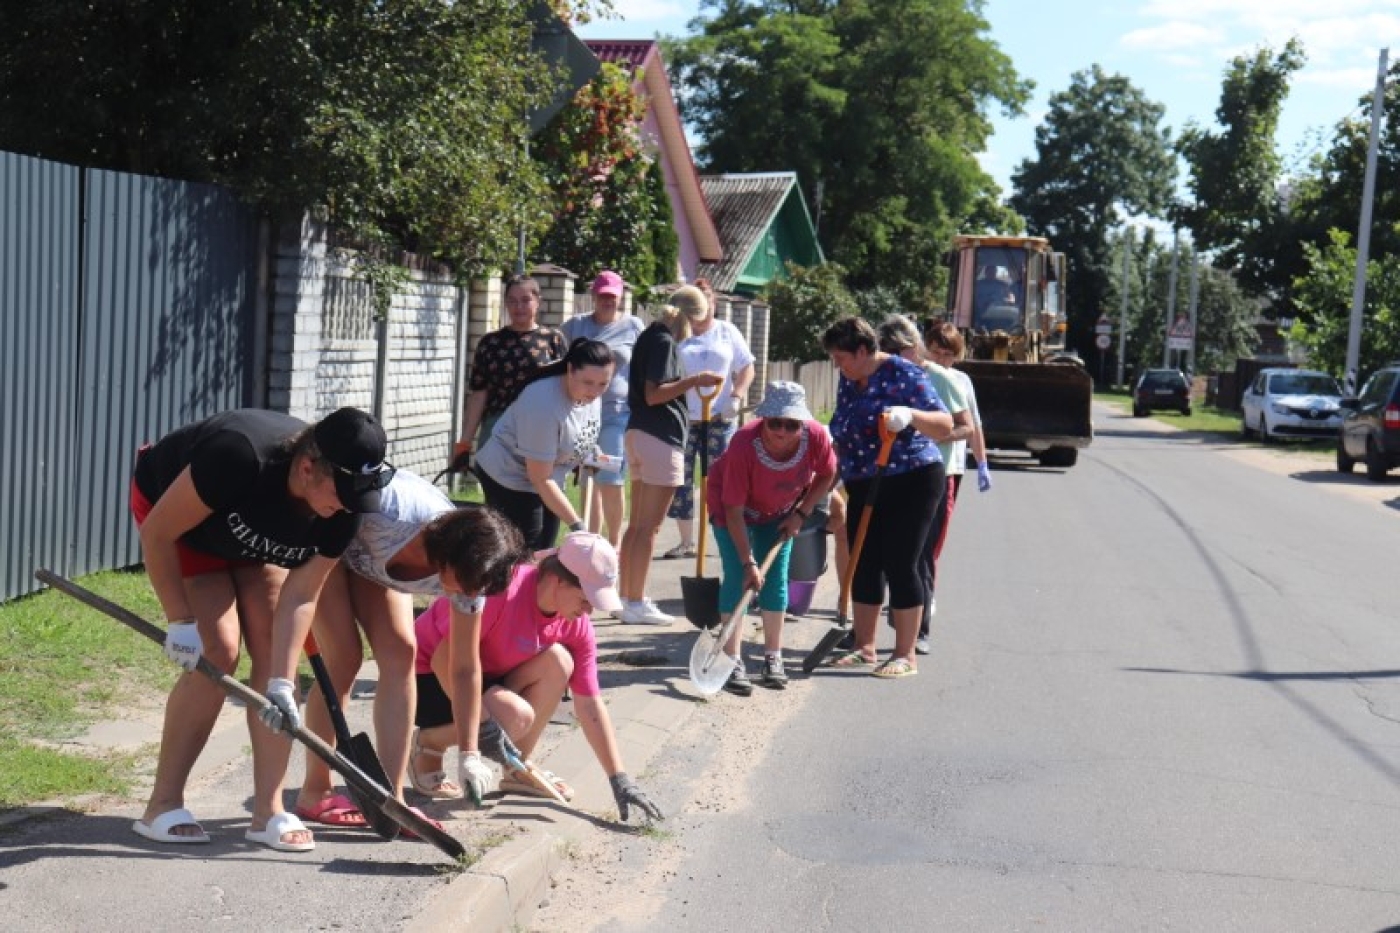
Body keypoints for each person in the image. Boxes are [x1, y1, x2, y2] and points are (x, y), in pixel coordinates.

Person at [128, 406, 388, 852]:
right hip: (185, 528)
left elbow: (302, 595)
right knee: (218, 650)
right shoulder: (238, 456)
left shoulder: (344, 507)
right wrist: (179, 620)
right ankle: (163, 804)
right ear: (307, 468)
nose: (347, 506)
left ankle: (268, 811)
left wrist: (284, 684)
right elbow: (157, 534)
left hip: (250, 537)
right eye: (341, 492)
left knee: (273, 660)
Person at [288, 484, 526, 824]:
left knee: (401, 654)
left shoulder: (472, 577)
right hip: (333, 545)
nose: (468, 595)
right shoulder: (391, 517)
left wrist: (469, 751)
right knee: (344, 658)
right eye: (464, 584)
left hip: (374, 566)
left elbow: (464, 666)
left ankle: (392, 797)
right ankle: (316, 790)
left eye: (477, 589)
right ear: (449, 554)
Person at [412, 532, 664, 822]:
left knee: (559, 661)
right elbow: (445, 660)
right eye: (585, 598)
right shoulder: (502, 589)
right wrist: (481, 723)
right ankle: (429, 744)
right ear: (557, 581)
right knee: (515, 716)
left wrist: (619, 778)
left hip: (484, 675)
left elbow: (590, 704)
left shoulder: (576, 624)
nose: (589, 610)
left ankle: (517, 769)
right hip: (426, 677)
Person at [822, 317, 952, 679]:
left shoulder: (903, 374)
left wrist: (910, 415)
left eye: (842, 357)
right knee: (864, 561)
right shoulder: (849, 381)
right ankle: (864, 647)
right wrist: (827, 484)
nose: (838, 365)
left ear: (863, 351)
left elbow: (943, 424)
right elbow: (843, 434)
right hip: (866, 479)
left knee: (901, 560)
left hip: (913, 478)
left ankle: (905, 654)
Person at [706, 381, 836, 695]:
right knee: (738, 576)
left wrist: (801, 513)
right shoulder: (743, 444)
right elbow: (734, 512)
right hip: (731, 511)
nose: (781, 431)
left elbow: (829, 474)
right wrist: (748, 561)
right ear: (764, 419)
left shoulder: (815, 437)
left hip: (779, 513)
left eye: (791, 424)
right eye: (774, 422)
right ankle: (731, 659)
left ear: (801, 424)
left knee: (776, 579)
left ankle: (772, 657)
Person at [617, 287, 724, 625]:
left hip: (638, 434)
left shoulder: (650, 336)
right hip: (659, 436)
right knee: (649, 528)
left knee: (636, 526)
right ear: (689, 317)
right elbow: (653, 394)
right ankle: (635, 601)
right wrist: (695, 380)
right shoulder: (664, 342)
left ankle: (627, 597)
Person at [877, 314, 974, 656]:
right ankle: (876, 629)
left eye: (894, 350)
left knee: (920, 556)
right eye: (882, 350)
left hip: (935, 473)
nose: (886, 357)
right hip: (891, 473)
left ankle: (920, 632)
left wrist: (932, 433)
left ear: (912, 349)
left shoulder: (940, 379)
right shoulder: (880, 376)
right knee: (888, 553)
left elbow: (966, 427)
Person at [472, 337, 614, 550]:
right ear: (570, 370)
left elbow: (581, 435)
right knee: (525, 551)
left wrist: (587, 457)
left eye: (603, 384)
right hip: (510, 477)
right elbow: (540, 477)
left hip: (548, 476)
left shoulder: (590, 394)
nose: (595, 391)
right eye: (588, 382)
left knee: (545, 549)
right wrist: (578, 526)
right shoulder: (543, 404)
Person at [663, 278, 755, 559]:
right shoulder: (680, 334)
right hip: (685, 418)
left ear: (713, 305)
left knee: (722, 478)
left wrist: (736, 396)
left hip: (719, 416)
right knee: (683, 478)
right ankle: (687, 541)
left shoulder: (727, 332)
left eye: (708, 302)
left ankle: (723, 537)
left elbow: (747, 367)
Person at [562, 271, 645, 548]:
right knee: (588, 476)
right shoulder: (575, 326)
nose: (607, 301)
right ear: (593, 295)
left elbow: (644, 367)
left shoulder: (633, 326)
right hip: (580, 412)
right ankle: (589, 539)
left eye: (612, 296)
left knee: (609, 477)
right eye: (602, 295)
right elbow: (561, 364)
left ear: (620, 297)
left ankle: (614, 543)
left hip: (615, 415)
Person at [456, 274, 568, 457]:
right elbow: (478, 394)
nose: (519, 307)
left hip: (539, 427)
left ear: (538, 301)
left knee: (535, 483)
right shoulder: (490, 343)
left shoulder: (552, 340)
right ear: (505, 303)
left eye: (525, 300)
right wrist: (464, 444)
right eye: (512, 301)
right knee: (493, 481)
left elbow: (566, 390)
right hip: (497, 425)